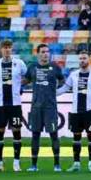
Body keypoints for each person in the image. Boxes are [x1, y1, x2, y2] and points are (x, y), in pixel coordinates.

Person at [57, 52, 91, 172]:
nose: (82, 60)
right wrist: (51, 92)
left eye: (84, 58)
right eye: (80, 59)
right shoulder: (73, 74)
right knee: (76, 137)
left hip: (89, 110)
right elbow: (64, 89)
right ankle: (76, 163)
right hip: (76, 111)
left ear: (89, 60)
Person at [23, 44, 65, 172]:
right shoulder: (32, 67)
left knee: (54, 135)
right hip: (36, 107)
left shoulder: (55, 67)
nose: (46, 54)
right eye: (43, 52)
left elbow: (63, 81)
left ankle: (57, 165)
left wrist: (55, 91)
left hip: (50, 107)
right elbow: (25, 81)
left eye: (47, 51)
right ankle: (33, 165)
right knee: (35, 135)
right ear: (38, 54)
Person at [0, 40, 27, 172]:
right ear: (1, 50)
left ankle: (16, 163)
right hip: (0, 105)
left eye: (9, 47)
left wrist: (20, 87)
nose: (7, 50)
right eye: (5, 48)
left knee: (16, 132)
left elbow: (26, 76)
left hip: (15, 104)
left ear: (12, 49)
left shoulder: (19, 63)